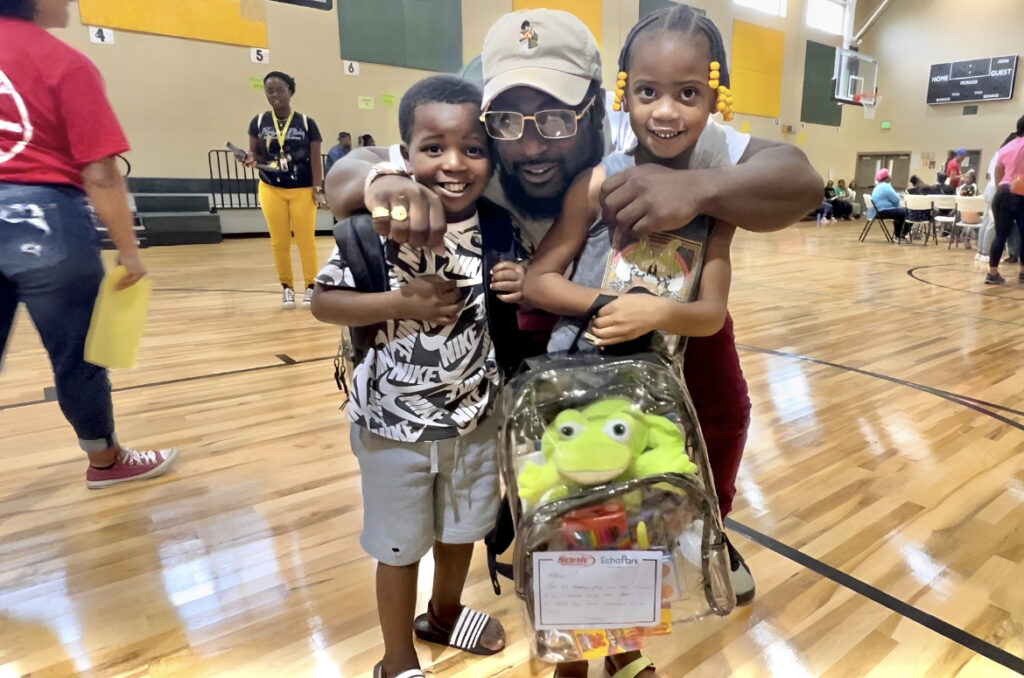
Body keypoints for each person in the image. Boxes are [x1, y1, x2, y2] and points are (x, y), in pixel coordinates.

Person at [326, 6, 822, 638]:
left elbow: (800, 178)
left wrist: (700, 189)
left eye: (557, 118)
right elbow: (347, 171)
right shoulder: (475, 148)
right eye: (509, 122)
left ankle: (704, 529)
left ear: (597, 104)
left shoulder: (653, 126)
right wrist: (384, 181)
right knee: (532, 428)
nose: (531, 145)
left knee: (720, 410)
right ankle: (556, 541)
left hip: (657, 299)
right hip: (522, 309)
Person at [519, 11, 739, 673]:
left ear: (714, 97)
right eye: (648, 92)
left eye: (687, 93)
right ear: (625, 93)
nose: (666, 111)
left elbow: (709, 314)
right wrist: (614, 305)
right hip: (573, 388)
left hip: (648, 396)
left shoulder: (719, 200)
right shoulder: (597, 180)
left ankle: (623, 651)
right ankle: (569, 658)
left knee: (638, 528)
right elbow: (539, 282)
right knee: (569, 528)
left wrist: (655, 315)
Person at [310, 75, 523, 678]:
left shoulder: (500, 228)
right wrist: (398, 304)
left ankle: (445, 614)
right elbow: (323, 303)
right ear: (403, 155)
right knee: (399, 547)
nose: (453, 163)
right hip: (392, 429)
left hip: (474, 423)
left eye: (473, 148)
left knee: (462, 533)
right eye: (434, 148)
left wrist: (521, 285)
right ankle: (396, 657)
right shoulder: (371, 228)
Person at [0, 0, 178, 488]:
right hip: (48, 222)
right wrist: (128, 251)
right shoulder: (67, 63)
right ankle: (105, 460)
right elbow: (100, 172)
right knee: (79, 358)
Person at [242, 71, 325, 310]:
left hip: (301, 190)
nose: (275, 95)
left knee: (305, 240)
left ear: (290, 91)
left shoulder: (307, 123)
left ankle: (311, 286)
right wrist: (249, 158)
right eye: (270, 91)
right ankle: (287, 288)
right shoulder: (258, 122)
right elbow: (255, 154)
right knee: (279, 242)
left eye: (279, 90)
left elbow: (315, 159)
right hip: (270, 188)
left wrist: (317, 188)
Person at [984, 115, 1024, 285]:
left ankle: (993, 274)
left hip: (1002, 193)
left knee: (1000, 234)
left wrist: (1004, 188)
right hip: (1021, 192)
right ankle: (1023, 272)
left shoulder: (1006, 147)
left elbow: (998, 174)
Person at [871, 168, 908, 241]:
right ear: (886, 177)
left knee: (900, 214)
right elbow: (896, 199)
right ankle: (901, 235)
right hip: (883, 211)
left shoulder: (878, 186)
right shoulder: (886, 186)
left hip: (877, 211)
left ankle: (898, 235)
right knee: (909, 212)